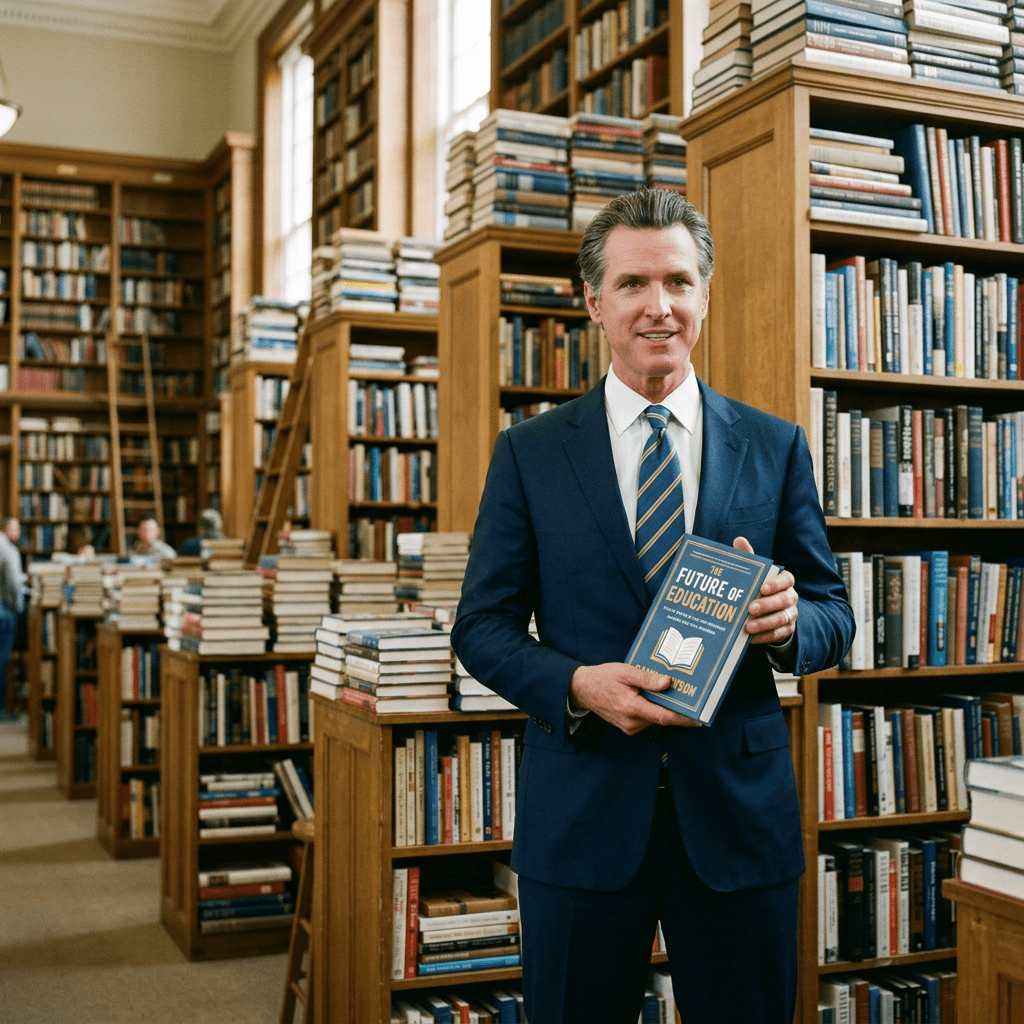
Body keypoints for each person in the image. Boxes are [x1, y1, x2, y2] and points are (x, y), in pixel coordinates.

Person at [451, 188, 856, 1024]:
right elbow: (481, 628)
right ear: (594, 301)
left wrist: (790, 626)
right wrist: (576, 685)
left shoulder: (774, 445)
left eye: (678, 281)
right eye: (634, 284)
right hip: (584, 817)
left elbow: (831, 611)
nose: (658, 306)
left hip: (738, 823)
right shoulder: (529, 454)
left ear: (705, 294)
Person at [0, 517, 25, 721]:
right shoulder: (8, 550)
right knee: (1, 660)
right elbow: (14, 585)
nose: (18, 531)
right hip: (3, 610)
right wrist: (19, 609)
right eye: (16, 528)